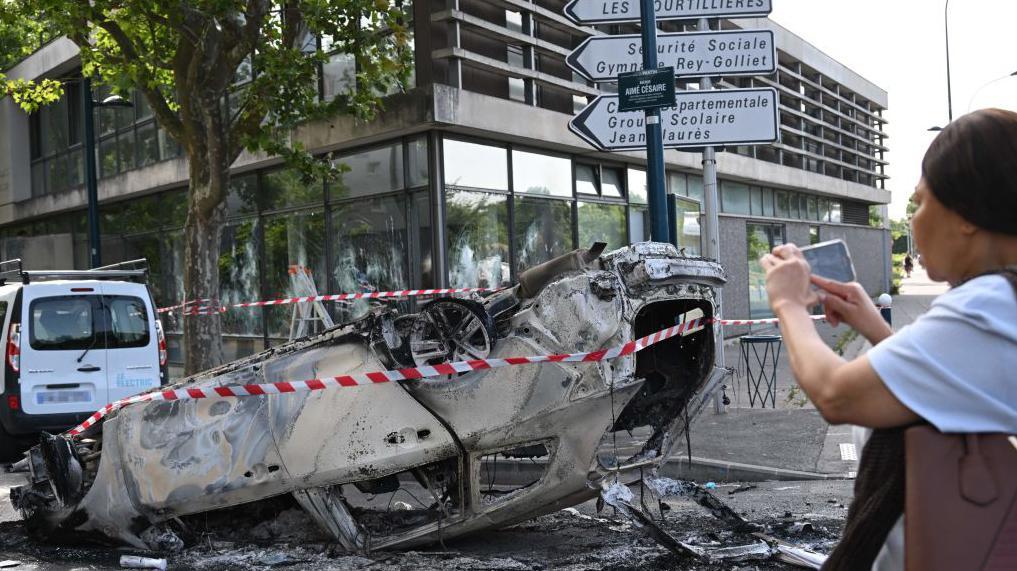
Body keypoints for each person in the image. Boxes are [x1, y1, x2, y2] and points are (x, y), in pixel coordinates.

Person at [760, 108, 1017, 570]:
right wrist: (875, 329)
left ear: (966, 214)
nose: (914, 221)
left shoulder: (991, 306)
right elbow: (951, 379)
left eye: (919, 202)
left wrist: (788, 305)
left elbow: (836, 395)